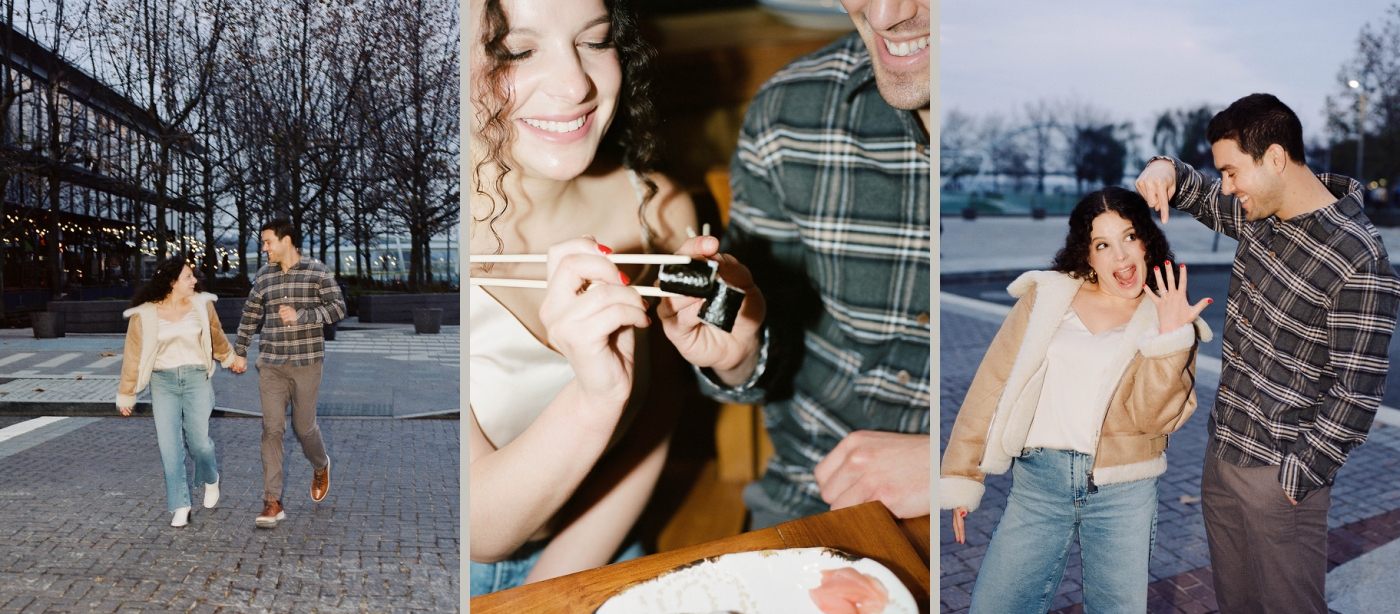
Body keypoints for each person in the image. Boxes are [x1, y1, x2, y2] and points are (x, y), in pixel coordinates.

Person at [656, 0, 932, 528]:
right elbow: (760, 345)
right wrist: (737, 353)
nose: (884, 14)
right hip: (811, 498)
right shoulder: (789, 111)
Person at [1135, 93, 1400, 613]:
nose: (1227, 187)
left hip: (1282, 477)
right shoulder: (1260, 214)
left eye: (1233, 172)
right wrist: (1162, 166)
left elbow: (1358, 391)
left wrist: (1297, 476)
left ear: (1275, 157)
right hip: (1223, 455)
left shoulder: (1358, 257)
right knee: (1237, 604)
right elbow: (1196, 193)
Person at [466, 0, 695, 595]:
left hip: (602, 549)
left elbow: (662, 406)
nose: (575, 85)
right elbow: (478, 526)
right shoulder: (420, 256)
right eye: (515, 51)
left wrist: (560, 582)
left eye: (596, 41)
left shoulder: (658, 210)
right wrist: (596, 400)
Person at [939, 188, 1211, 613]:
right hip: (1038, 487)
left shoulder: (1168, 320)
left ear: (1146, 241)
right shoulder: (1048, 297)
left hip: (1124, 492)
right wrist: (962, 473)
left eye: (1129, 237)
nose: (1120, 256)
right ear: (1087, 254)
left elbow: (1154, 419)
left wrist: (1170, 337)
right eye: (1103, 244)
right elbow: (992, 382)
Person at [229, 218, 346, 529]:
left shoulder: (317, 271)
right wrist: (239, 351)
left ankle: (321, 466)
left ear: (287, 241)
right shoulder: (264, 276)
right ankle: (272, 501)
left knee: (304, 428)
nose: (264, 248)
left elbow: (338, 308)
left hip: (307, 362)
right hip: (271, 363)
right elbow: (251, 313)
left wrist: (303, 316)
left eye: (268, 242)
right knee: (272, 429)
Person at [116, 258, 236, 528]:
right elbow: (133, 354)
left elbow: (216, 336)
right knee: (169, 447)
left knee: (199, 443)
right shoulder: (144, 313)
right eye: (188, 277)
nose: (195, 281)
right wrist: (127, 393)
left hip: (196, 379)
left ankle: (211, 477)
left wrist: (230, 358)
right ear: (172, 282)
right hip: (163, 382)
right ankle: (180, 504)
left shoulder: (202, 305)